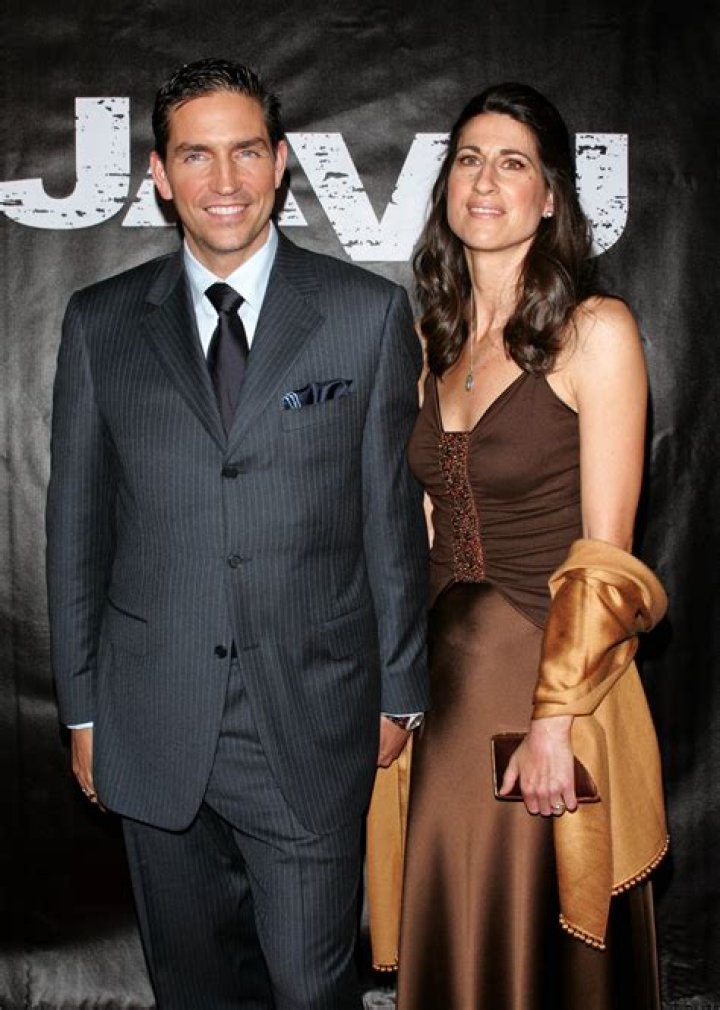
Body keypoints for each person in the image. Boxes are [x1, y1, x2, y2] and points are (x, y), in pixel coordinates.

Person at [46, 57, 429, 1010]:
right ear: (158, 175)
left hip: (311, 718)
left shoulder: (366, 314)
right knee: (194, 989)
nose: (225, 180)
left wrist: (401, 692)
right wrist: (83, 714)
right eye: (196, 155)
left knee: (311, 988)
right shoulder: (100, 324)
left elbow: (390, 520)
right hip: (150, 720)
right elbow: (76, 532)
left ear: (281, 161)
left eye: (246, 152)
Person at [395, 83, 668, 1010]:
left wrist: (555, 723)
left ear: (549, 196)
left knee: (533, 943)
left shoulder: (597, 331)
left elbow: (607, 555)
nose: (484, 182)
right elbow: (426, 528)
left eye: (512, 163)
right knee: (460, 924)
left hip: (543, 683)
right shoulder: (434, 341)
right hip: (446, 685)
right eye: (468, 160)